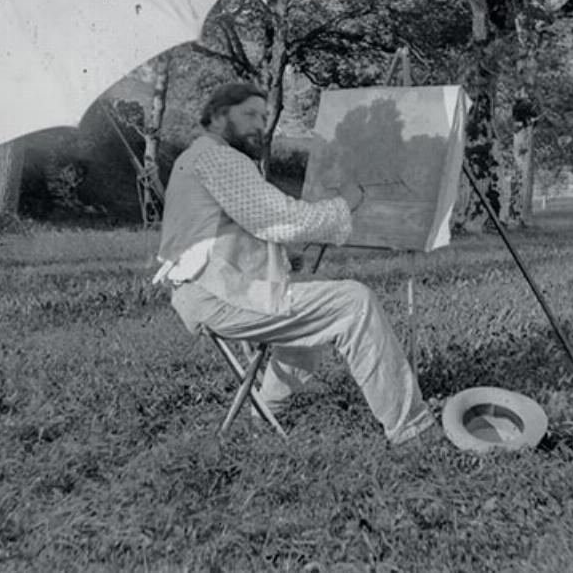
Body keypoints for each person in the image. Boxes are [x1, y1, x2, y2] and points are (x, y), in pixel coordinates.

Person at [154, 82, 435, 445]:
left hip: (204, 294)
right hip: (218, 300)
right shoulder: (218, 158)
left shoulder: (192, 157)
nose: (260, 124)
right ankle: (412, 431)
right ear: (219, 116)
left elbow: (220, 233)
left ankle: (265, 414)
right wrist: (344, 203)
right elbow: (278, 217)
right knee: (354, 302)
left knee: (315, 306)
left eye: (264, 116)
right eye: (249, 114)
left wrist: (281, 258)